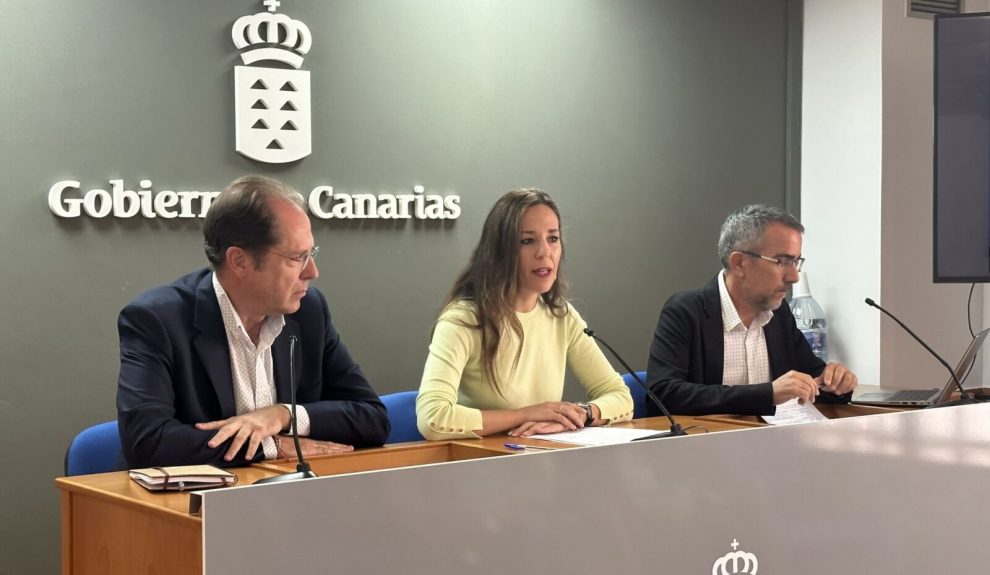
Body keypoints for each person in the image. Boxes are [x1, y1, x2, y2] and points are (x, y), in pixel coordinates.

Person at [116, 175, 389, 468]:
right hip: (198, 506)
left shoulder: (309, 311)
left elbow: (372, 418)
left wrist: (284, 415)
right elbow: (147, 442)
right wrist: (273, 445)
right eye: (297, 258)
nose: (312, 271)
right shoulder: (158, 320)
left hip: (294, 500)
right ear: (239, 261)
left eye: (311, 254)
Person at [416, 189, 633, 440]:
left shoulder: (562, 316)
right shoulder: (463, 320)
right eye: (527, 241)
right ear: (499, 251)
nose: (545, 253)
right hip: (483, 465)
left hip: (541, 460)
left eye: (553, 238)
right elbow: (433, 418)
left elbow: (621, 397)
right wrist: (527, 414)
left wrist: (578, 415)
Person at [646, 204, 858, 416]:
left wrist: (836, 382)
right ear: (739, 263)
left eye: (795, 262)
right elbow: (663, 394)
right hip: (708, 443)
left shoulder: (779, 313)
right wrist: (767, 394)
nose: (794, 276)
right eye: (782, 261)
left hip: (771, 443)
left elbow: (812, 379)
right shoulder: (686, 311)